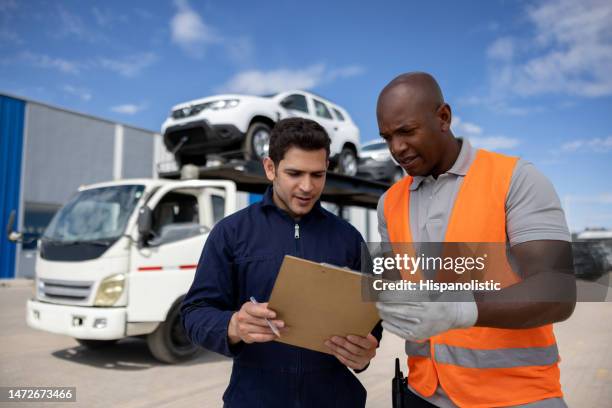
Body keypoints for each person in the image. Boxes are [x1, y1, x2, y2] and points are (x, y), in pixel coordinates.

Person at [375, 72, 576, 407]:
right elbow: (390, 284)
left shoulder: (515, 179)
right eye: (387, 138)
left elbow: (557, 291)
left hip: (515, 397)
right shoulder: (389, 202)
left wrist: (460, 310)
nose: (396, 148)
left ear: (443, 117)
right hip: (422, 394)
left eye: (407, 131)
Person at [181, 117, 381, 408]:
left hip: (335, 399)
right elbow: (194, 313)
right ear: (270, 168)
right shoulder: (231, 232)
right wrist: (233, 325)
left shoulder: (348, 238)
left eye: (317, 175)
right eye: (295, 173)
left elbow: (371, 319)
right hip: (254, 398)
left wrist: (364, 353)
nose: (307, 186)